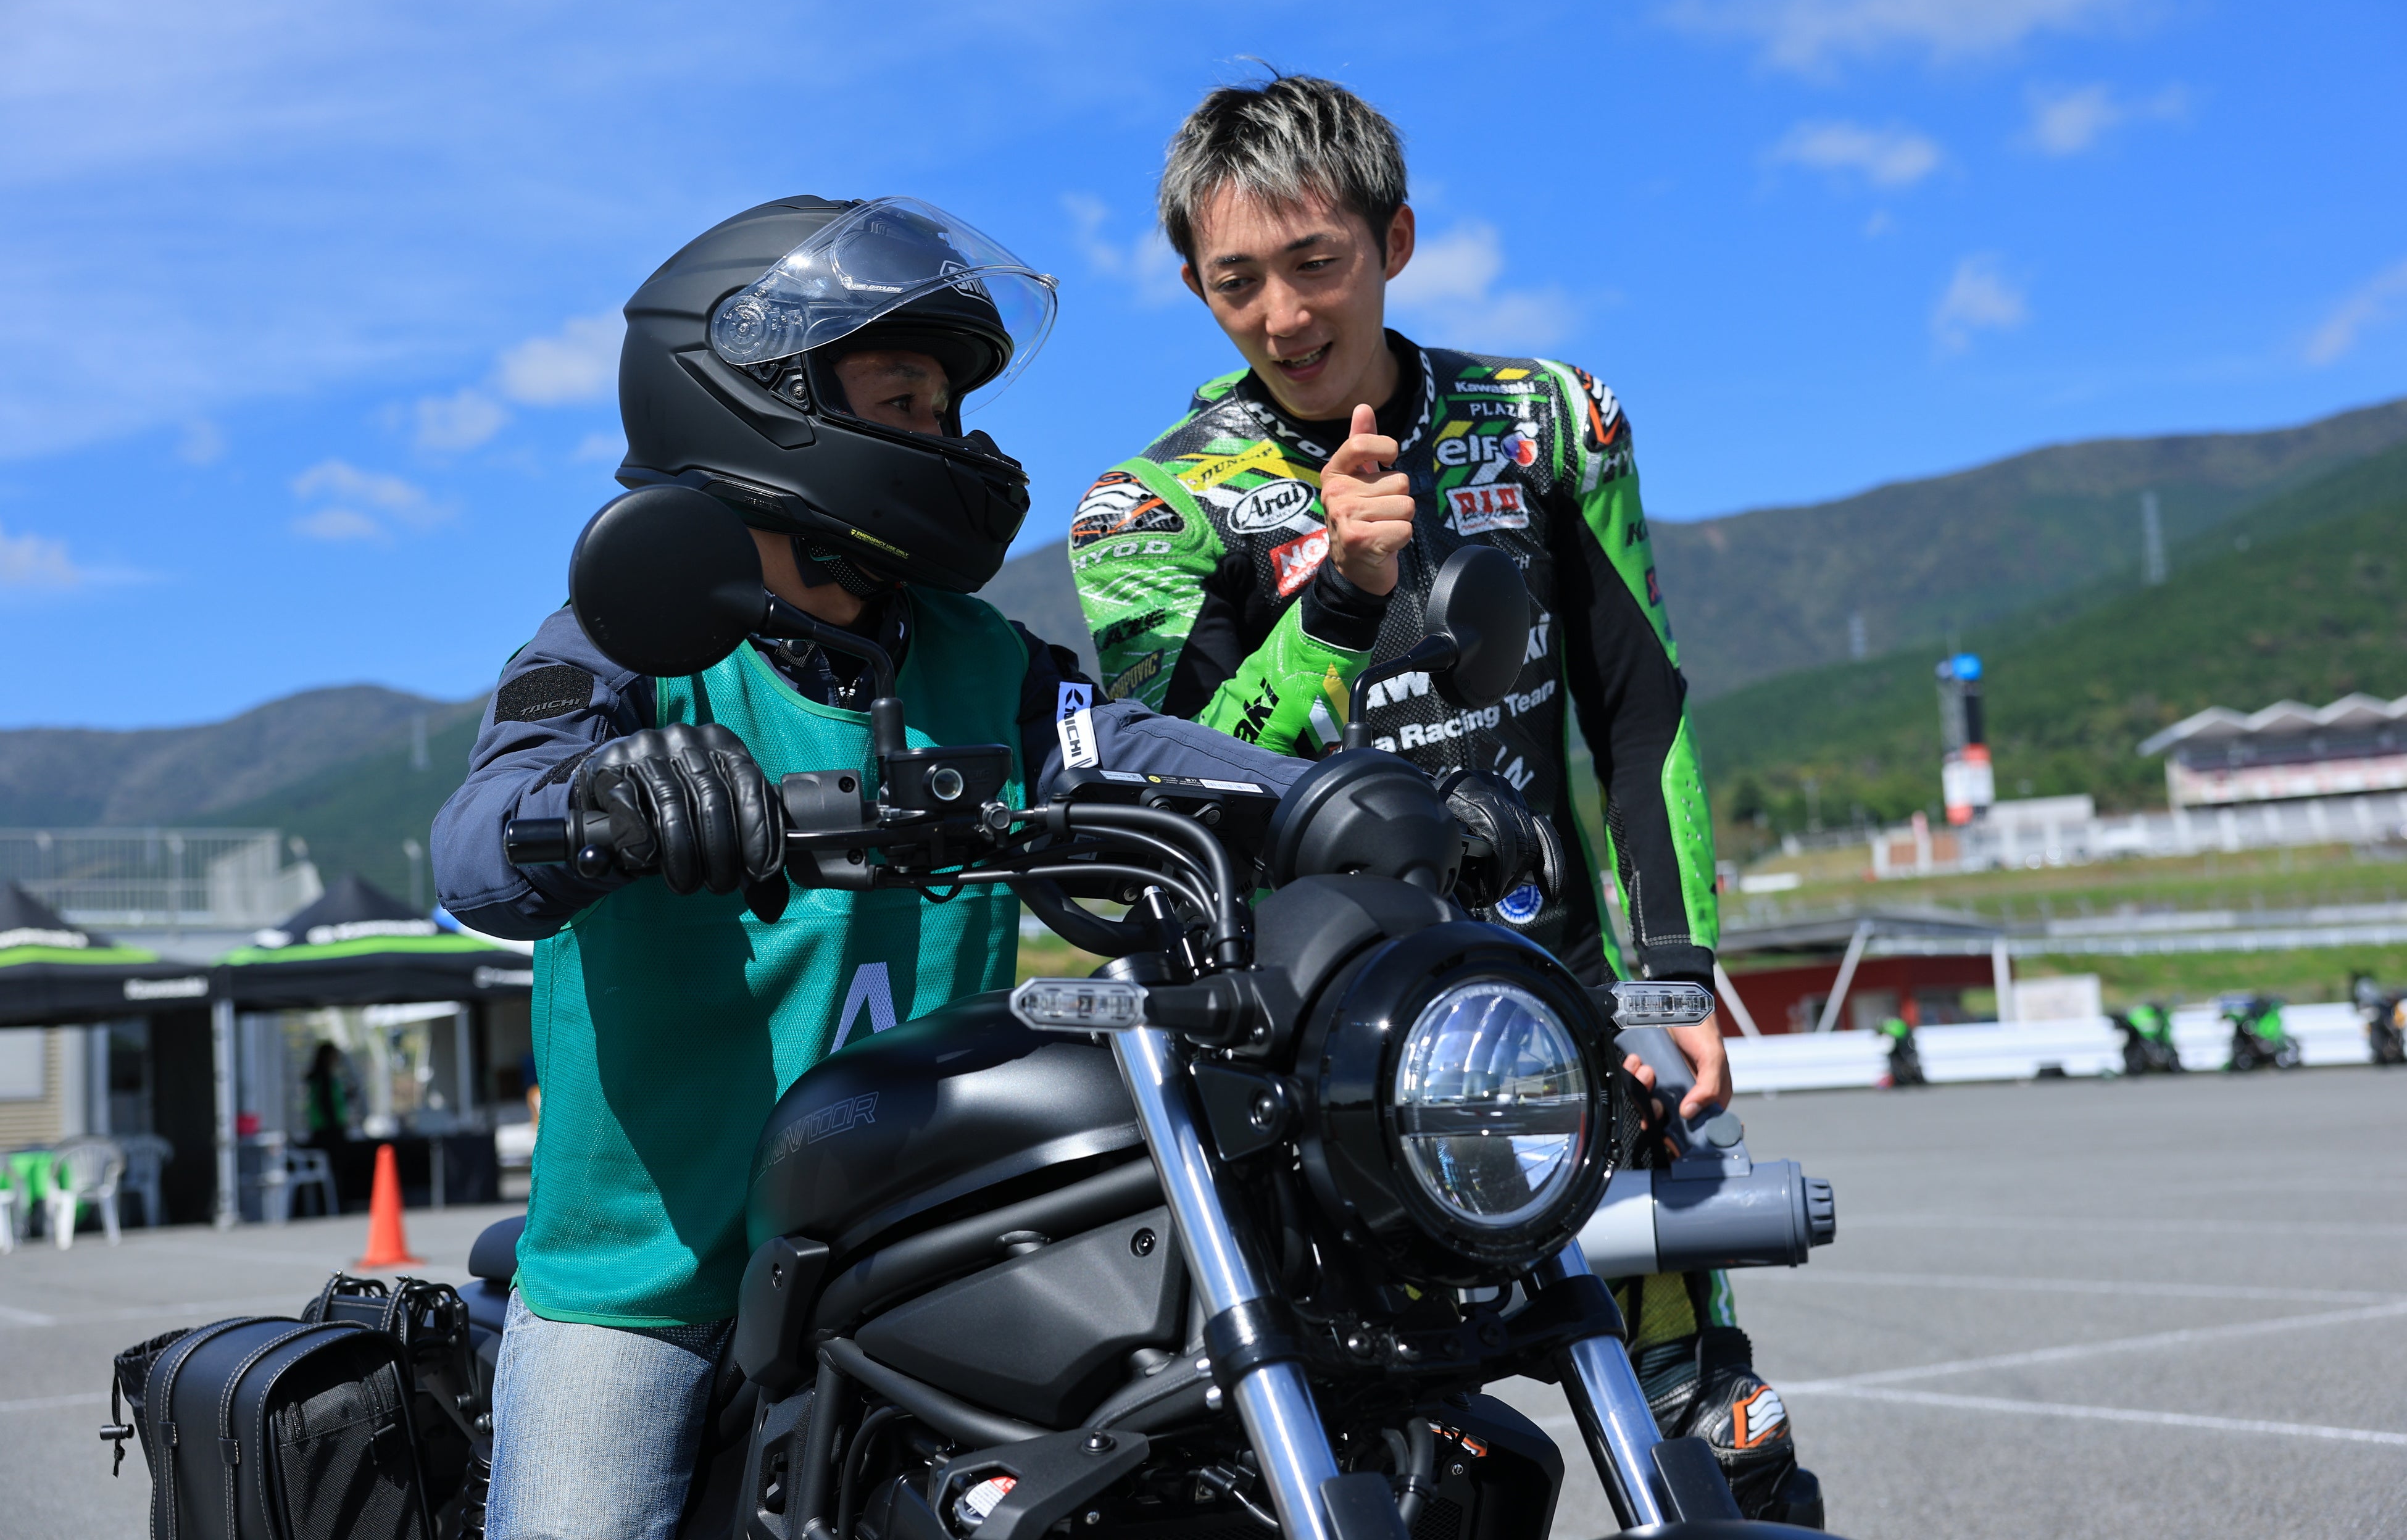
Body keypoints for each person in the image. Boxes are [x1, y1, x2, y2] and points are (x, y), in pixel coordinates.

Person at [431, 193, 1549, 1540]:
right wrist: (611, 797)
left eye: (948, 409)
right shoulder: (627, 642)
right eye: (906, 402)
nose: (951, 440)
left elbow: (1127, 746)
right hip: (656, 1273)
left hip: (926, 1221)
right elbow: (476, 844)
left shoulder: (976, 656)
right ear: (760, 400)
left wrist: (1350, 803)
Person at [1072, 75, 1818, 1525]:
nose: (1283, 315)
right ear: (1193, 287)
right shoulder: (1151, 508)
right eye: (1236, 282)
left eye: (1315, 262)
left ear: (1395, 240)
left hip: (1564, 1028)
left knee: (1715, 1448)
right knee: (1367, 1481)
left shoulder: (1548, 422)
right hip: (1318, 1076)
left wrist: (1675, 975)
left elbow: (1640, 710)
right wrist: (1340, 602)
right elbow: (1179, 772)